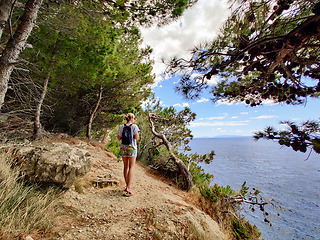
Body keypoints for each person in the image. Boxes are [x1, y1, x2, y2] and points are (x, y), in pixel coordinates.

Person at [117, 113, 139, 197]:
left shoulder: (121, 126)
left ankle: (127, 186)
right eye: (134, 118)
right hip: (132, 148)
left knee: (125, 167)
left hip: (123, 148)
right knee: (131, 167)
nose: (135, 119)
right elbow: (136, 138)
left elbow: (119, 138)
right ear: (131, 118)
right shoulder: (134, 126)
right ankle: (128, 188)